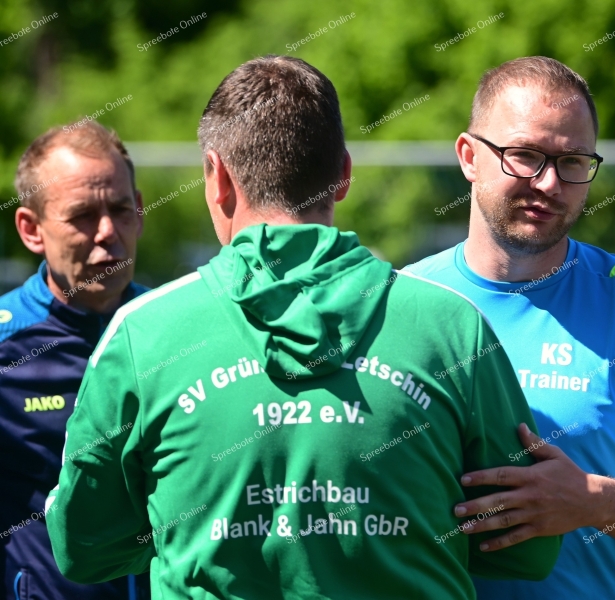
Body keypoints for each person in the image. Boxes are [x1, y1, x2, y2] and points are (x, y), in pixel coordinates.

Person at [45, 55, 561, 599]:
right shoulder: (453, 326)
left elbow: (82, 546)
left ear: (216, 177)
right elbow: (525, 546)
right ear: (342, 174)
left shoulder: (142, 334)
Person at [405, 56, 615, 599]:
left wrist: (589, 500)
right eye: (525, 156)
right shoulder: (404, 303)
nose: (549, 183)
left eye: (573, 161)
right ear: (468, 157)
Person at [0, 122, 149, 599]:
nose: (107, 232)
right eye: (82, 215)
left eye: (121, 210)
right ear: (31, 229)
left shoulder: (173, 331)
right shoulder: (7, 347)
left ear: (140, 212)